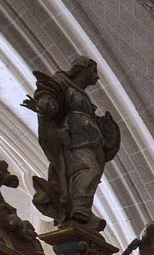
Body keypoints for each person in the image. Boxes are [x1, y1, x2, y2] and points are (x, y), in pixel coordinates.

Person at [24, 56, 120, 229]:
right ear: (82, 67)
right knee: (88, 169)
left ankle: (82, 209)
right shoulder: (62, 81)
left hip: (92, 140)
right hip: (74, 137)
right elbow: (50, 96)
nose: (97, 76)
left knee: (92, 173)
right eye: (94, 71)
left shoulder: (82, 95)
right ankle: (78, 210)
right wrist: (45, 105)